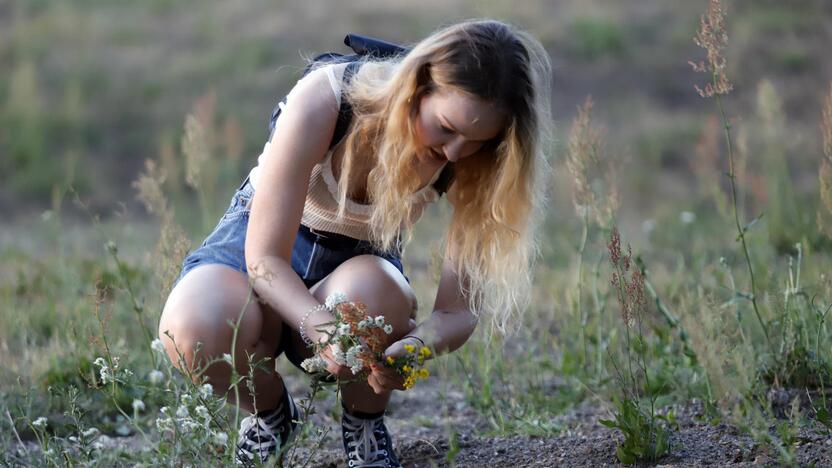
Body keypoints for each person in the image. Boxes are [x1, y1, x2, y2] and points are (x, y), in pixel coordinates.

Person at [158, 18, 552, 467]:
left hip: (357, 265)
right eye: (445, 128)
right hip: (257, 246)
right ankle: (269, 415)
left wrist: (416, 348)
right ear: (416, 87)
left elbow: (457, 311)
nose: (456, 153)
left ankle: (364, 425)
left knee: (378, 296)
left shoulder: (473, 160)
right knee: (192, 328)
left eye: (478, 142)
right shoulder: (326, 100)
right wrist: (322, 328)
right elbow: (264, 260)